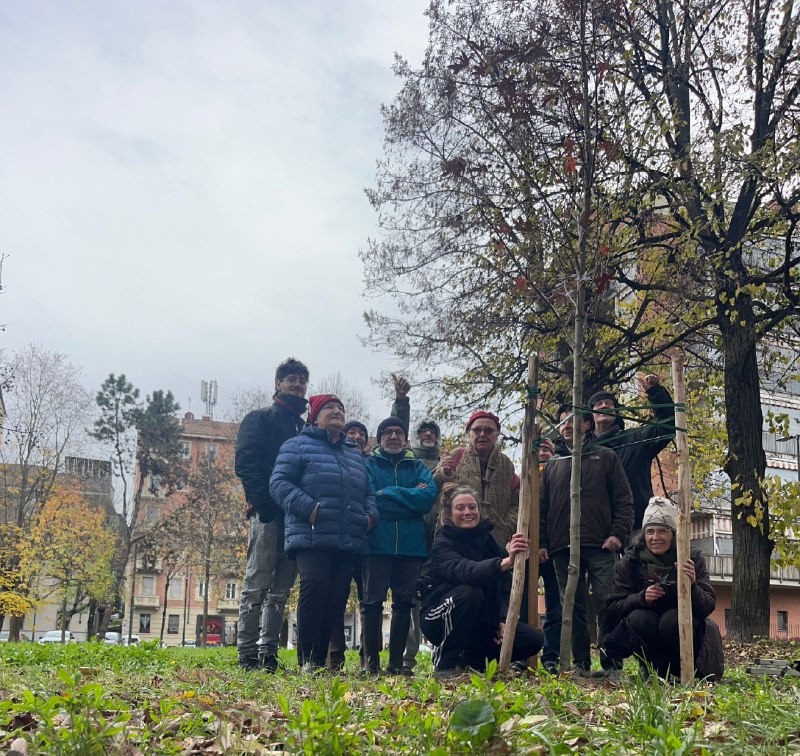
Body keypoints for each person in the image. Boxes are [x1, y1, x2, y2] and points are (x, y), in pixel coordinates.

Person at [270, 394, 378, 670]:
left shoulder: (354, 453)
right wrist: (310, 509)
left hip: (347, 537)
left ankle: (321, 660)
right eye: (329, 408)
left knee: (337, 597)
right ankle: (307, 660)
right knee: (315, 587)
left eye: (340, 409)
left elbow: (368, 492)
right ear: (314, 416)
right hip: (311, 534)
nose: (336, 412)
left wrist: (369, 517)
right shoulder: (297, 445)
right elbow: (279, 483)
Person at [539, 405, 633, 678]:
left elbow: (623, 501)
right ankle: (580, 663)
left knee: (607, 601)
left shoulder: (606, 457)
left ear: (587, 425)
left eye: (572, 420)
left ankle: (612, 664)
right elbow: (543, 507)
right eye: (562, 422)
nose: (566, 426)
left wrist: (618, 534)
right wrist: (543, 542)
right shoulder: (553, 465)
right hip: (562, 547)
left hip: (601, 544)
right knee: (572, 604)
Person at [421, 483, 543, 678]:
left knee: (533, 639)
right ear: (450, 514)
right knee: (470, 592)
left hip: (481, 621)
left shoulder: (490, 543)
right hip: (438, 618)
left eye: (472, 507)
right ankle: (445, 662)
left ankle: (473, 661)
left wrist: (503, 621)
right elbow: (468, 571)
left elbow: (504, 588)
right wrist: (506, 561)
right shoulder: (442, 544)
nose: (467, 512)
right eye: (460, 508)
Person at [234, 357, 309, 672]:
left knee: (281, 589)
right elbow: (246, 461)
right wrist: (260, 501)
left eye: (301, 380)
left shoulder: (305, 428)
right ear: (278, 383)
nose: (296, 384)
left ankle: (269, 654)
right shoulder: (260, 418)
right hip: (267, 514)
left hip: (296, 518)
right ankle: (247, 653)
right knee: (257, 583)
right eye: (290, 379)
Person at [604, 497, 721, 680]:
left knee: (672, 620)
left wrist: (692, 586)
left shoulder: (691, 558)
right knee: (638, 619)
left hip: (681, 626)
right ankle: (656, 672)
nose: (655, 538)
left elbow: (707, 606)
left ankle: (684, 672)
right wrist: (641, 598)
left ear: (673, 534)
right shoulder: (631, 560)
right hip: (647, 628)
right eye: (650, 531)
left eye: (662, 531)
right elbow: (613, 606)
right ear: (644, 534)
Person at [362, 416, 437, 675]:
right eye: (387, 433)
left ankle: (396, 665)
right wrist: (408, 498)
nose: (393, 437)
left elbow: (427, 498)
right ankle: (371, 664)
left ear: (405, 439)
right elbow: (370, 499)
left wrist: (389, 493)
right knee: (372, 603)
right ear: (380, 437)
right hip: (376, 544)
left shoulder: (416, 466)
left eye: (398, 433)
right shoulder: (368, 465)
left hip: (411, 547)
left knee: (404, 603)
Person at [389, 374, 442, 671]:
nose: (428, 435)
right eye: (423, 431)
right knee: (406, 601)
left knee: (435, 598)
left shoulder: (448, 462)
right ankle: (406, 659)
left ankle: (439, 655)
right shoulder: (407, 459)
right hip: (409, 536)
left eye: (432, 432)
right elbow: (396, 428)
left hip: (437, 539)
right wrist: (401, 401)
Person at [590, 374, 675, 532]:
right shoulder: (584, 450)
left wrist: (656, 392)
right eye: (598, 404)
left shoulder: (636, 439)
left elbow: (668, 425)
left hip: (634, 525)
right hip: (597, 530)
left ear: (617, 411)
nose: (603, 406)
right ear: (591, 413)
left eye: (609, 403)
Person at [434, 411, 519, 550]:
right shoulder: (456, 455)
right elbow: (434, 487)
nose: (482, 434)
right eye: (477, 430)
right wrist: (445, 473)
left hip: (497, 540)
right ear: (469, 433)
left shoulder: (506, 464)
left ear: (497, 434)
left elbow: (516, 500)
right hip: (458, 539)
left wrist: (507, 526)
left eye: (488, 430)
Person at [326, 418, 370, 671]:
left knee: (369, 602)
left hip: (367, 540)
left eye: (360, 433)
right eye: (350, 432)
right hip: (339, 540)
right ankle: (334, 659)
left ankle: (367, 658)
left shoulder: (371, 464)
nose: (355, 436)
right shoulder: (334, 458)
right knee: (335, 600)